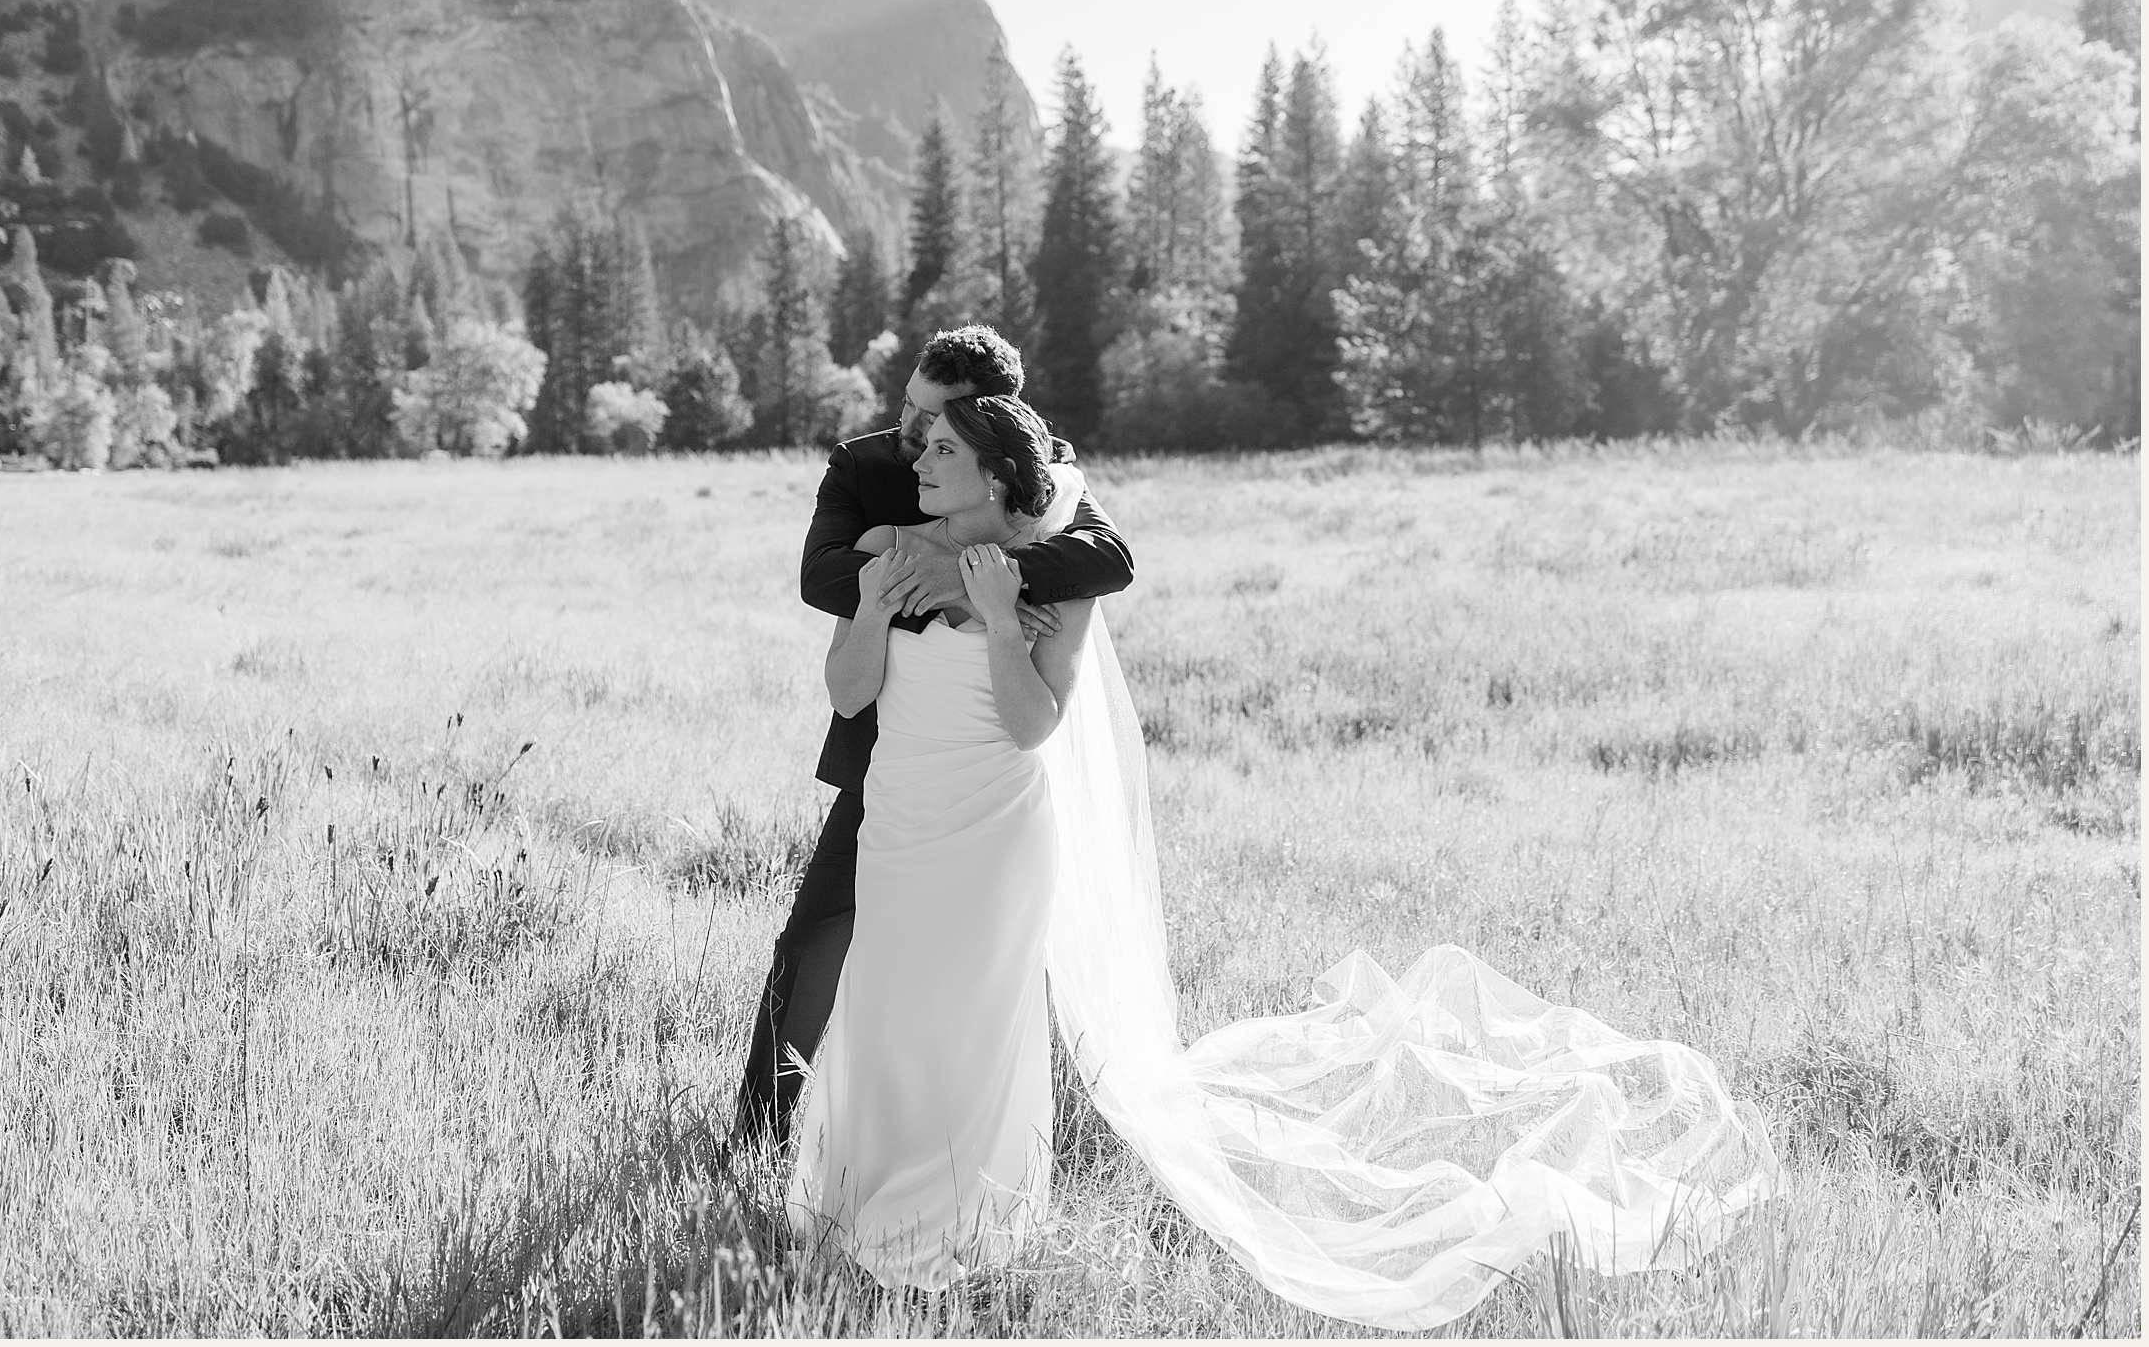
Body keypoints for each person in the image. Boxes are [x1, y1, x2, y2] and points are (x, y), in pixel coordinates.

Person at [785, 392, 1788, 1326]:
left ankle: (945, 1220)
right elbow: (846, 691)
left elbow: (1032, 720)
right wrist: (873, 608)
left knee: (968, 1015)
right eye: (925, 448)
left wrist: (1001, 617)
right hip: (902, 817)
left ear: (999, 474)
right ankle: (848, 1194)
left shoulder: (1052, 582)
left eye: (945, 449)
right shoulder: (885, 549)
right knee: (881, 994)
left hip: (996, 826)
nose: (921, 459)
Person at [732, 325, 1134, 1150]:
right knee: (819, 939)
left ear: (990, 419)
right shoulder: (865, 465)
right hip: (891, 750)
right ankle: (762, 1131)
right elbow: (821, 576)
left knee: (986, 962)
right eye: (910, 408)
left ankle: (987, 1135)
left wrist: (995, 586)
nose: (912, 437)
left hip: (991, 758)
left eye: (934, 422)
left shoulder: (1031, 463)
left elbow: (1108, 556)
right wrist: (927, 579)